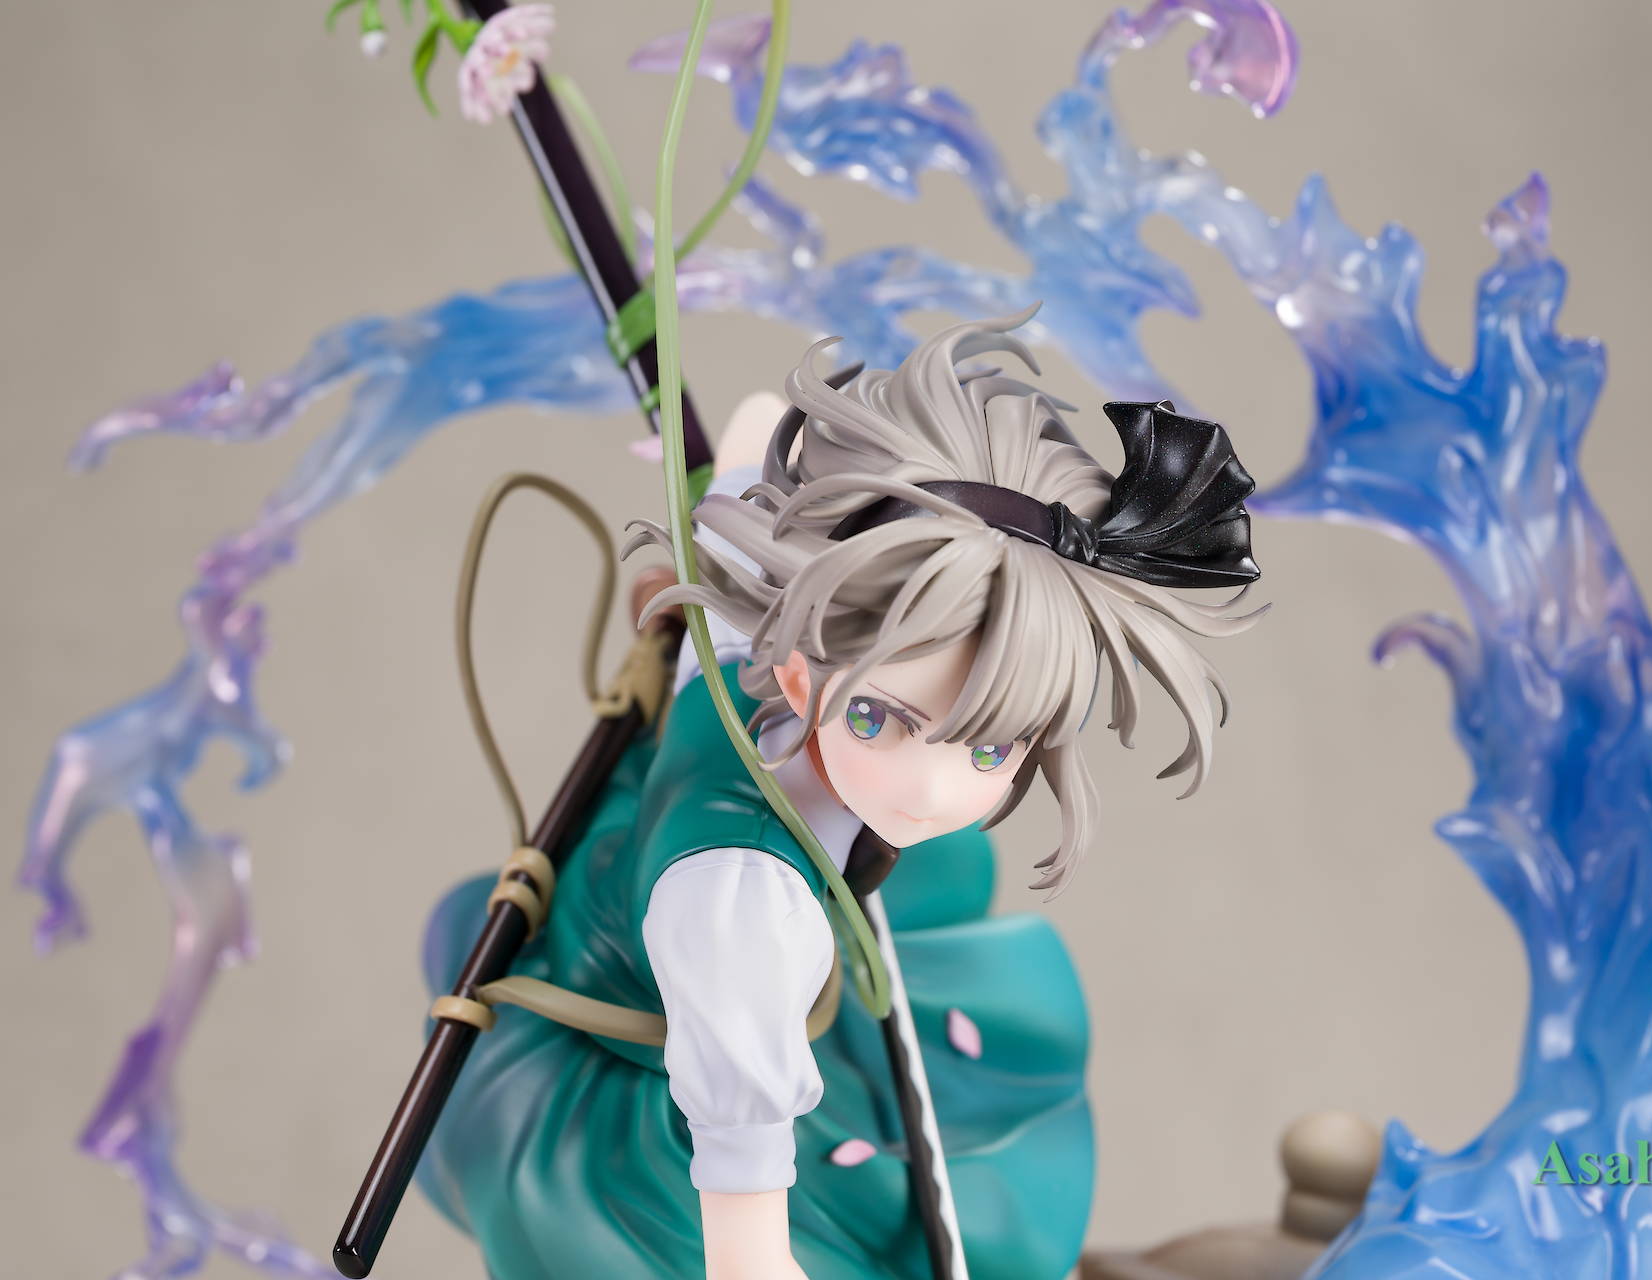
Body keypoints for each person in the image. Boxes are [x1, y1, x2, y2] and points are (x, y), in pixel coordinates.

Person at [414, 313, 1265, 1279]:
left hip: (791, 975)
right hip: (644, 1138)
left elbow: (751, 435)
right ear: (800, 673)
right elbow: (745, 1241)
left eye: (992, 746)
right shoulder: (741, 901)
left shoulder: (757, 621)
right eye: (879, 719)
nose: (931, 789)